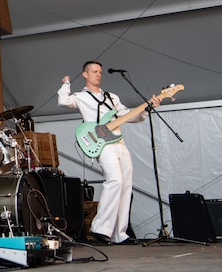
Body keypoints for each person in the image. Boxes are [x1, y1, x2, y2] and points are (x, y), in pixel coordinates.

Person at [57, 60, 162, 245]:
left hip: (118, 141)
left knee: (126, 185)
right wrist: (66, 84)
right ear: (85, 74)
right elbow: (63, 101)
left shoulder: (112, 97)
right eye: (94, 71)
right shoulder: (81, 97)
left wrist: (147, 109)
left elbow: (129, 116)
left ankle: (120, 234)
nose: (98, 74)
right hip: (101, 143)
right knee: (115, 180)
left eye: (100, 72)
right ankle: (100, 228)